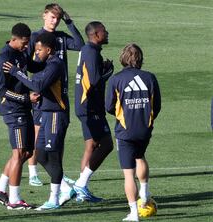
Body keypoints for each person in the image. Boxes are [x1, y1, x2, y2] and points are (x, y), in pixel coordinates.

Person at [3, 32, 69, 211]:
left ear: (49, 50)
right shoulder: (47, 64)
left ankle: (55, 198)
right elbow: (35, 80)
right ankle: (65, 188)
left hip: (56, 114)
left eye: (39, 50)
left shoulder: (55, 65)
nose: (37, 53)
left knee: (53, 157)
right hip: (46, 113)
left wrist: (16, 72)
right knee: (38, 154)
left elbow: (37, 85)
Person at [26, 3, 84, 190]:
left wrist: (70, 23)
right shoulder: (35, 37)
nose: (55, 21)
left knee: (58, 135)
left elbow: (81, 45)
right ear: (44, 15)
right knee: (37, 132)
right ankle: (33, 171)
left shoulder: (60, 37)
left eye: (58, 18)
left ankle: (56, 171)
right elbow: (26, 64)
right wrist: (28, 90)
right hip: (41, 92)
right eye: (52, 17)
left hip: (60, 93)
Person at [105, 43, 161, 221]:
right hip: (145, 129)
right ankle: (144, 193)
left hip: (125, 131)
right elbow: (157, 105)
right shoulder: (150, 77)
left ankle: (134, 213)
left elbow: (108, 106)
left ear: (123, 58)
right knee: (140, 157)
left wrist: (122, 114)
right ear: (140, 59)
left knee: (128, 174)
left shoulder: (116, 79)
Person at [0, 23, 39, 210]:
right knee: (18, 153)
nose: (27, 47)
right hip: (13, 110)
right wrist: (26, 98)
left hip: (24, 108)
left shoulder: (21, 53)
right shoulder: (5, 57)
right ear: (14, 39)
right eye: (24, 43)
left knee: (27, 152)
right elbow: (1, 90)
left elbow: (32, 66)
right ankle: (14, 200)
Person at [69, 21, 114, 204]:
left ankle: (81, 189)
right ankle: (81, 183)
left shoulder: (88, 50)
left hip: (85, 106)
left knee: (91, 146)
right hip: (90, 107)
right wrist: (108, 72)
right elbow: (95, 82)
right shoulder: (92, 53)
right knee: (107, 144)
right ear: (96, 34)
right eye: (104, 31)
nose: (107, 32)